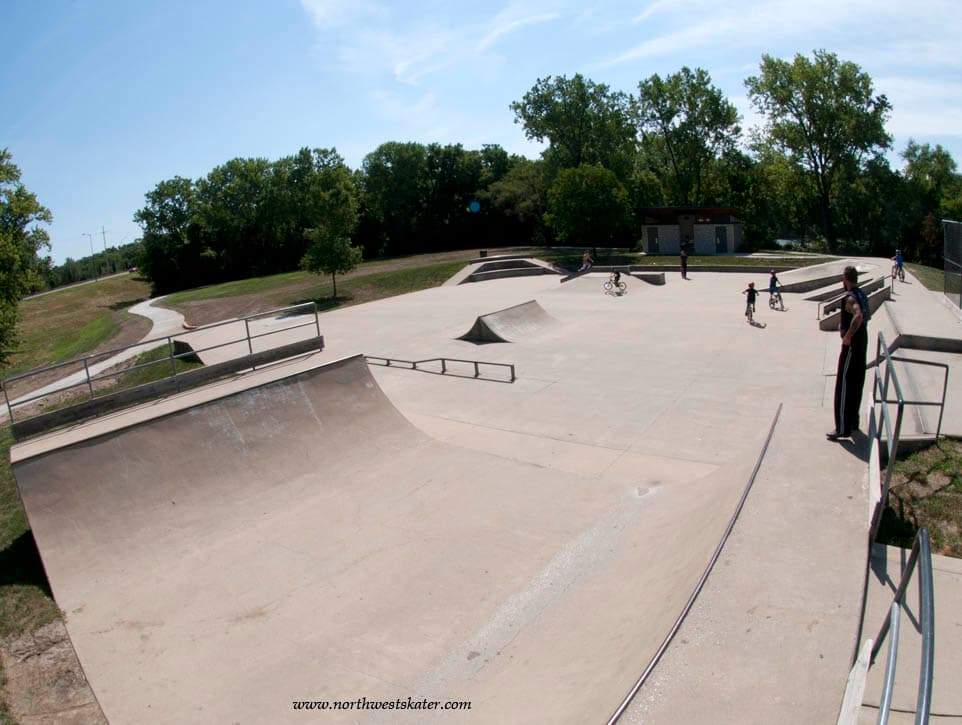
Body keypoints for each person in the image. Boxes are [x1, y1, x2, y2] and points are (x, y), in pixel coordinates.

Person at [828, 265, 869, 440]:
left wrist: (848, 335)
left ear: (845, 279)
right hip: (862, 342)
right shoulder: (862, 294)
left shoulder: (850, 298)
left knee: (844, 384)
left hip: (852, 345)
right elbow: (866, 316)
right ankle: (853, 422)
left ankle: (842, 428)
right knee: (856, 382)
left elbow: (858, 316)